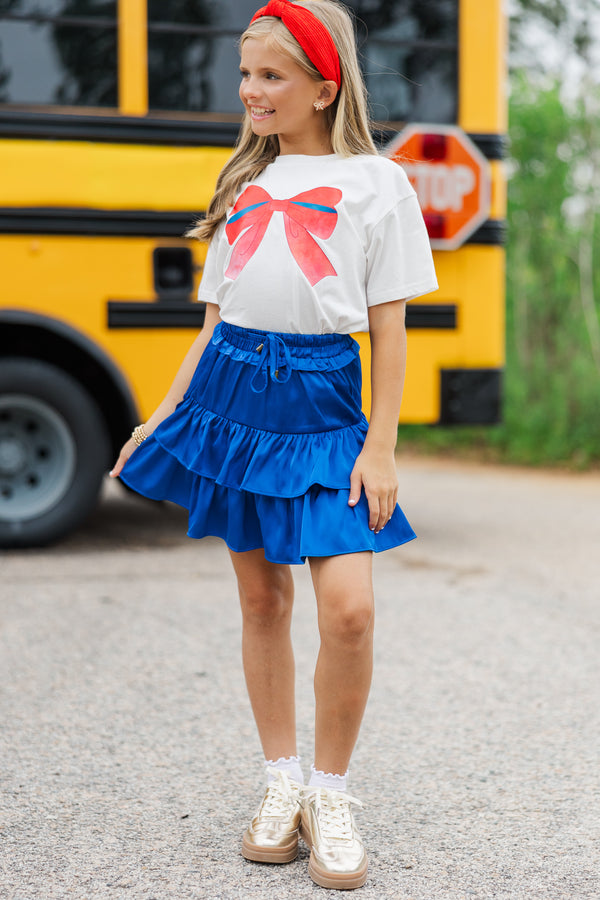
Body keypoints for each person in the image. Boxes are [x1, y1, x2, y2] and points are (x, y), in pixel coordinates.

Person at [110, 0, 437, 890]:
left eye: (271, 76)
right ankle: (280, 784)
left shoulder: (379, 183)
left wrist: (382, 446)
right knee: (262, 603)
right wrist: (161, 414)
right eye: (247, 73)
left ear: (323, 88)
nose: (251, 90)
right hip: (232, 396)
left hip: (325, 401)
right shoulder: (241, 187)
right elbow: (212, 326)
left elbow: (391, 330)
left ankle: (331, 792)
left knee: (351, 610)